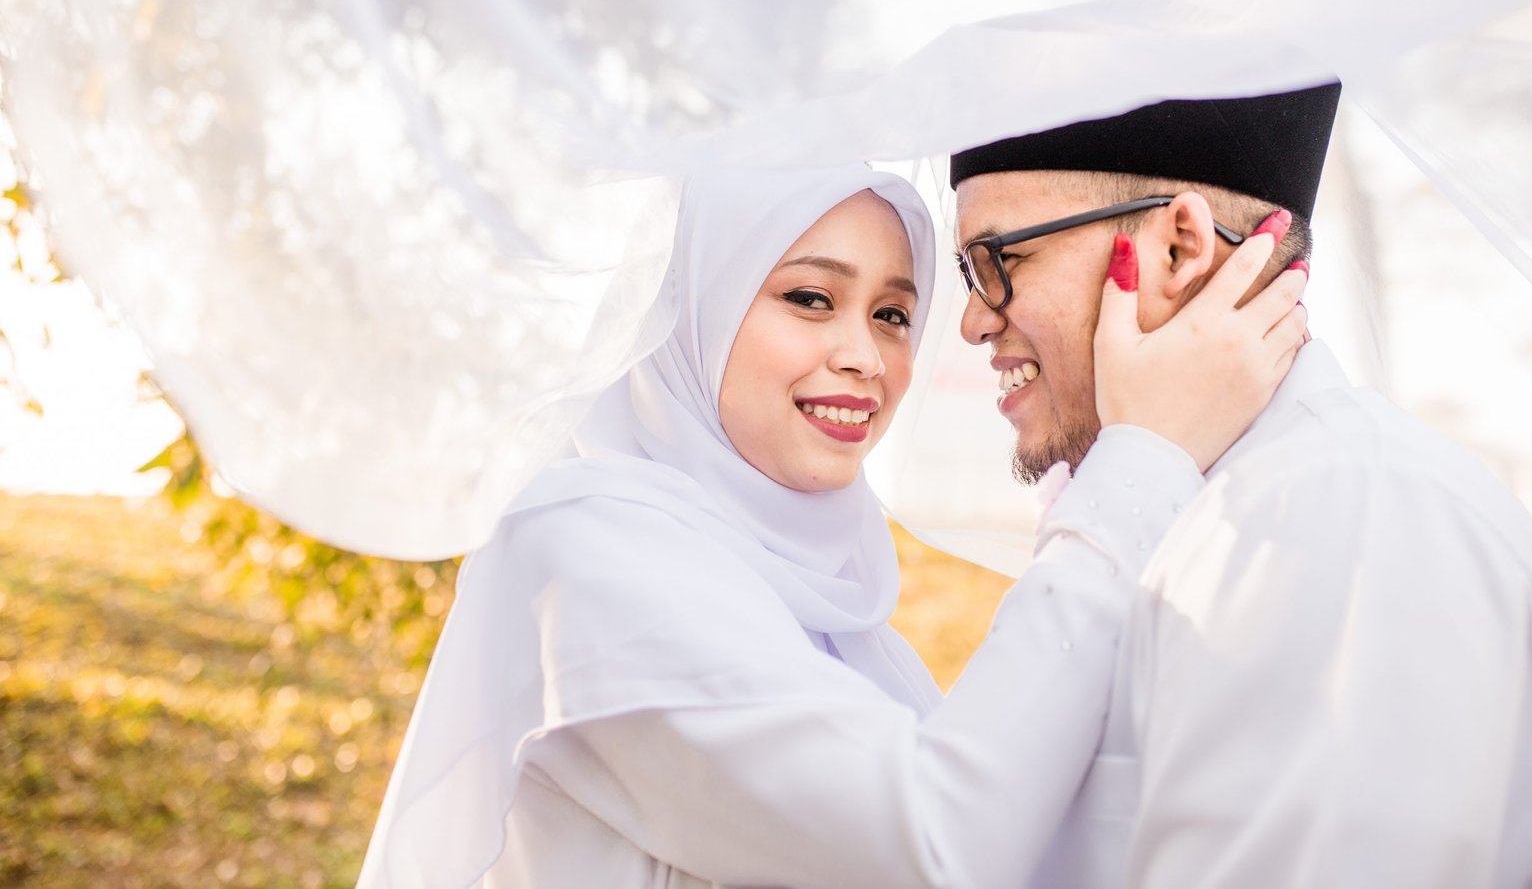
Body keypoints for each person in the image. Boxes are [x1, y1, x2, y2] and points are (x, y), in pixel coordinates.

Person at [355, 162, 1308, 889]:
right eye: (810, 297)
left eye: (894, 313)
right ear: (694, 309)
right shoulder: (586, 552)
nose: (866, 356)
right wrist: (1139, 462)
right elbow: (932, 845)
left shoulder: (842, 625)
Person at [949, 82, 1532, 888]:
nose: (973, 320)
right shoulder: (1220, 511)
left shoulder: (1339, 521)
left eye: (999, 260)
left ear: (1179, 247)